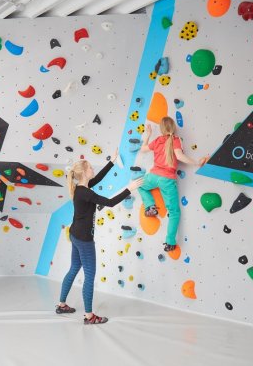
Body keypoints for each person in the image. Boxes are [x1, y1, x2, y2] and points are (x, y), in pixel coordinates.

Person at [56, 150, 143, 324]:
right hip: (83, 238)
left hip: (75, 234)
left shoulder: (82, 188)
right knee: (89, 275)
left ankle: (61, 305)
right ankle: (89, 316)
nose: (92, 170)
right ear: (85, 172)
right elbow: (109, 203)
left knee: (74, 268)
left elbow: (99, 178)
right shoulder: (85, 192)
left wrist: (112, 161)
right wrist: (129, 188)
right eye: (90, 168)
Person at [138, 117, 209, 252]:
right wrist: (196, 163)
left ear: (161, 129)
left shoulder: (158, 140)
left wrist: (147, 133)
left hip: (153, 176)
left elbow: (142, 149)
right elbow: (180, 156)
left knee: (140, 185)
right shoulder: (176, 140)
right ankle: (169, 242)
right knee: (174, 212)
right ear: (174, 127)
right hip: (167, 180)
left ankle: (150, 207)